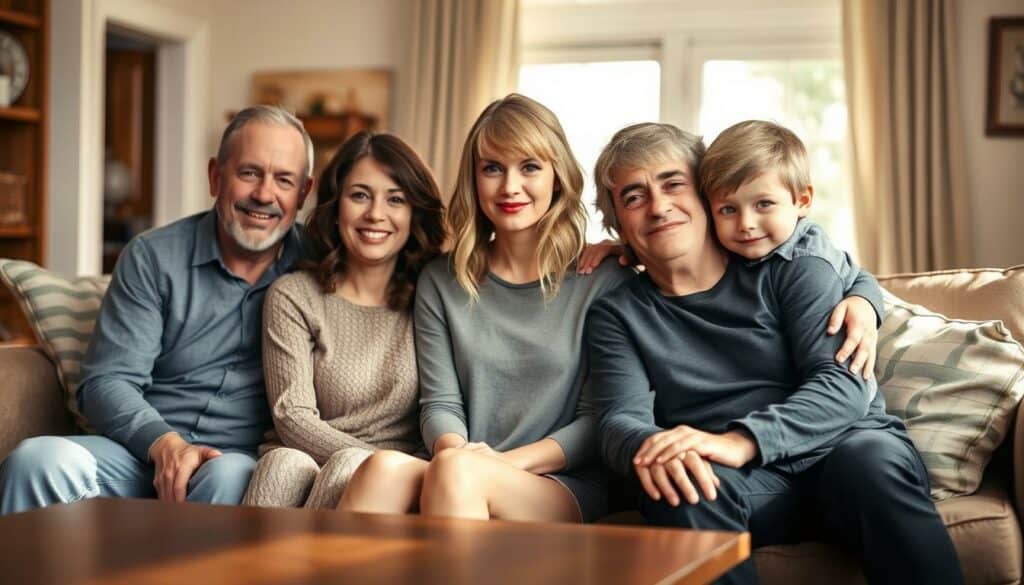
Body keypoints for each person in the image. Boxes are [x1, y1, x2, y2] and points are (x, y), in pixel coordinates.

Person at [585, 122, 963, 584]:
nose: (659, 206)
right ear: (618, 224)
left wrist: (740, 440)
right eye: (633, 197)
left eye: (673, 184)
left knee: (871, 461)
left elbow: (844, 386)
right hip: (747, 482)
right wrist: (653, 448)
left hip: (843, 450)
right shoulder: (617, 313)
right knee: (683, 486)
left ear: (705, 195)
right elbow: (618, 419)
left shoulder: (790, 260)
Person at [0, 105, 314, 513]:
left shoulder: (319, 265)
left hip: (236, 459)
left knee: (230, 476)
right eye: (249, 173)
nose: (264, 195)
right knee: (36, 461)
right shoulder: (153, 256)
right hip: (140, 452)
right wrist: (164, 443)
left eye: (284, 180)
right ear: (215, 176)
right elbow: (107, 380)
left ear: (303, 192)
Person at [338, 93, 632, 523]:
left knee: (460, 473)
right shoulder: (441, 280)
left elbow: (597, 420)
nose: (510, 186)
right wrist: (456, 454)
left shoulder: (602, 280)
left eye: (529, 167)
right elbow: (440, 404)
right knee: (382, 468)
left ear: (557, 177)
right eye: (492, 168)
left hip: (559, 482)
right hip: (459, 465)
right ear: (474, 179)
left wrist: (487, 465)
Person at [242, 132, 444, 509]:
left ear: (415, 213)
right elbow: (292, 416)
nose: (375, 214)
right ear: (335, 207)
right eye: (360, 195)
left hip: (398, 474)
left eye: (395, 199)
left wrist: (389, 466)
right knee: (283, 465)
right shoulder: (294, 295)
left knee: (349, 465)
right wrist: (372, 458)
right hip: (302, 455)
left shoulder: (433, 297)